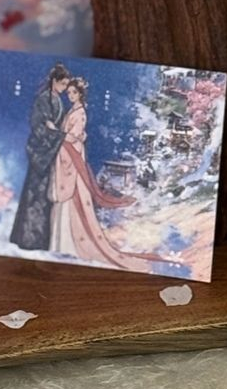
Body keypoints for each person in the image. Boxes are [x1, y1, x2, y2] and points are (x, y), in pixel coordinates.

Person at [49, 79, 157, 272]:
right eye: (69, 93)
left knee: (75, 198)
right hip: (68, 155)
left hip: (72, 157)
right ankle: (62, 243)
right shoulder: (74, 111)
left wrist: (54, 131)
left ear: (80, 94)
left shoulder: (80, 113)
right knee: (70, 200)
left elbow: (73, 137)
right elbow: (77, 136)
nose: (70, 95)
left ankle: (71, 244)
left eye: (74, 93)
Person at [9, 63, 71, 250]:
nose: (65, 88)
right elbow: (37, 125)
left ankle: (41, 240)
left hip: (49, 152)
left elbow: (54, 125)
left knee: (44, 197)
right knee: (34, 195)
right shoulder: (43, 99)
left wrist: (56, 131)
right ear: (54, 81)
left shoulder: (56, 100)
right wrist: (53, 132)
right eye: (63, 84)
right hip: (41, 152)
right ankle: (28, 239)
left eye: (66, 85)